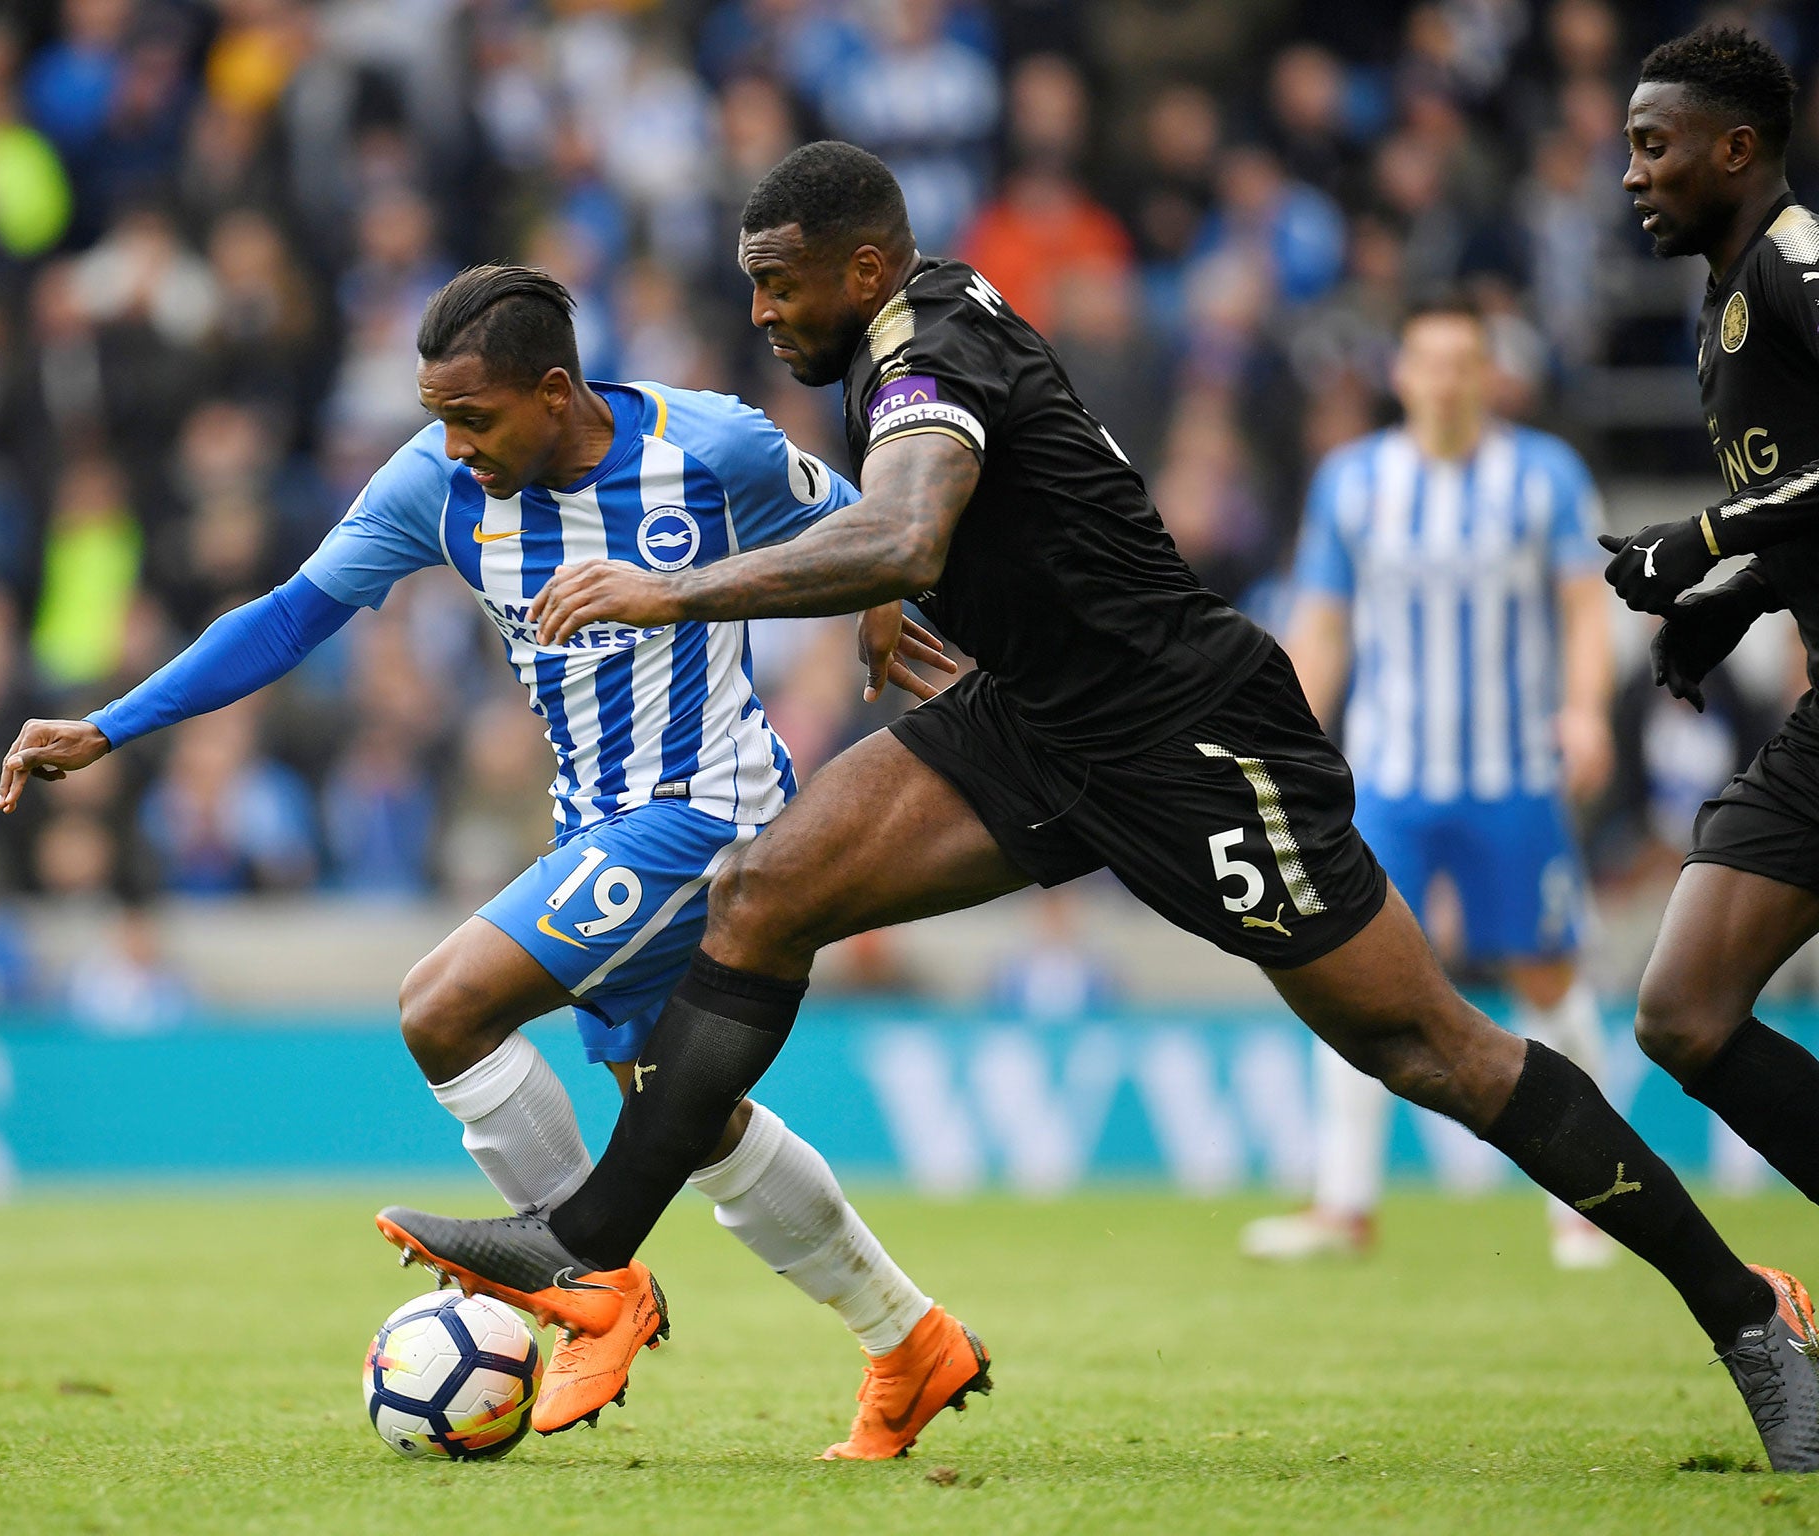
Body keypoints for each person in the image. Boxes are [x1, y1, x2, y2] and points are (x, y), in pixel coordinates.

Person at [375, 143, 1819, 1472]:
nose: (759, 312)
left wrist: (676, 585)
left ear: (864, 270)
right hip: (1037, 714)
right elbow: (913, 537)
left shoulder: (925, 347)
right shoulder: (895, 335)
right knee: (766, 891)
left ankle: (1747, 1313)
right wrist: (893, 605)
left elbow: (908, 523)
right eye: (752, 282)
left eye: (780, 282)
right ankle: (589, 1246)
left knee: (1427, 1047)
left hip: (1185, 732)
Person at [0, 264, 983, 1462]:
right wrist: (111, 724)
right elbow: (289, 614)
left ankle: (587, 1276)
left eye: (474, 417)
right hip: (594, 822)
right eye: (436, 418)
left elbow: (865, 518)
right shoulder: (436, 485)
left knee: (442, 1008)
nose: (453, 444)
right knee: (689, 1115)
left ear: (555, 392)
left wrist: (878, 600)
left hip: (706, 812)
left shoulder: (707, 448)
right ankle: (907, 1340)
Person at [1240, 297, 1618, 1269]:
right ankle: (1343, 1204)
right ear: (1400, 375)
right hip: (1388, 778)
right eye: (1427, 362)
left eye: (1463, 362)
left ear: (1487, 374)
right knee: (1349, 969)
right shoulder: (1354, 481)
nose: (1445, 380)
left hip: (1509, 773)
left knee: (1544, 975)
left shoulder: (1541, 475)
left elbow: (1584, 607)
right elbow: (1320, 623)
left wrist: (1583, 711)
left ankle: (1587, 1200)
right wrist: (1286, 741)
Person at [1597, 27, 1819, 1245]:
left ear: (1733, 151)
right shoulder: (1722, 297)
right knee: (1682, 1009)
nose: (1629, 172)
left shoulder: (1797, 263)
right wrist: (1730, 603)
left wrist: (1702, 538)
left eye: (1651, 145)